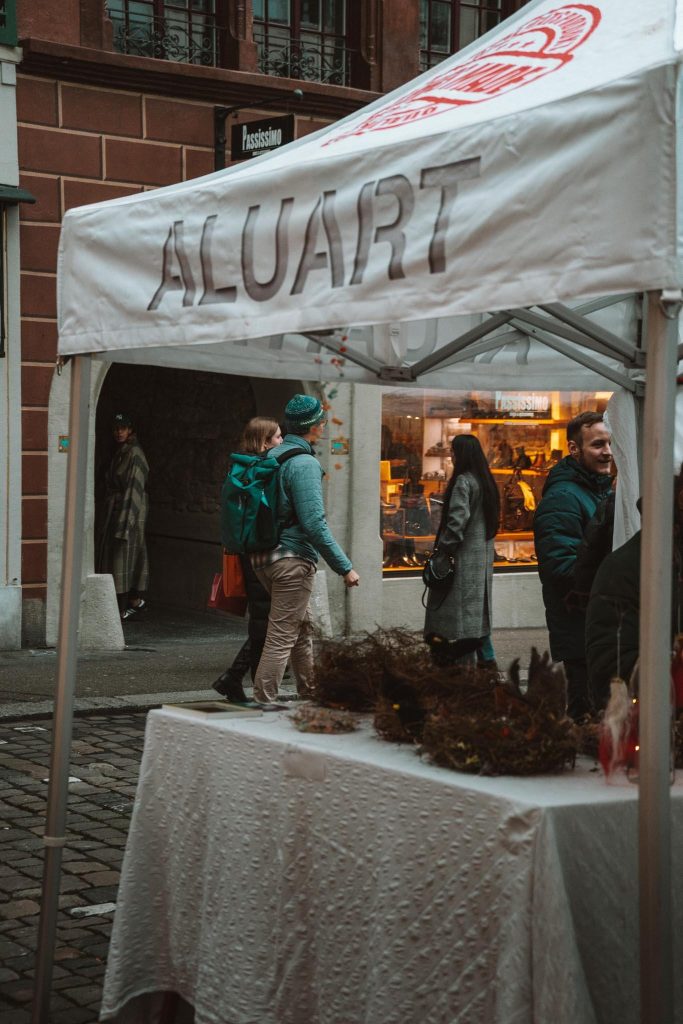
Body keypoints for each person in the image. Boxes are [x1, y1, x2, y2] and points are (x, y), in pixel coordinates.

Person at [250, 394, 359, 703]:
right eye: (322, 422)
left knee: (302, 629)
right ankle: (264, 701)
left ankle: (311, 693)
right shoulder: (305, 463)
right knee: (282, 634)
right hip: (291, 560)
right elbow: (314, 523)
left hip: (263, 557)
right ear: (314, 427)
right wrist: (345, 567)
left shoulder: (270, 455)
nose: (324, 427)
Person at [533, 411, 612, 718]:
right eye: (597, 444)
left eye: (610, 443)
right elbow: (561, 567)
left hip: (597, 625)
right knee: (586, 713)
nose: (607, 451)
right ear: (574, 449)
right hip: (580, 628)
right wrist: (611, 577)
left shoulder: (599, 488)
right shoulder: (564, 497)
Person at [212, 417, 283, 703]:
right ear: (265, 441)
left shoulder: (239, 467)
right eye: (277, 437)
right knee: (264, 619)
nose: (281, 441)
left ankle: (236, 677)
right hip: (262, 552)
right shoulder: (265, 468)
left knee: (263, 617)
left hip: (243, 550)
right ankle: (240, 678)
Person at [424, 433, 500, 666]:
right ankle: (488, 664)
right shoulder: (486, 482)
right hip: (481, 562)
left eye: (454, 452)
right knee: (476, 620)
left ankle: (455, 668)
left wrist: (443, 550)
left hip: (461, 562)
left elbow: (457, 524)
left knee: (454, 622)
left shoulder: (463, 482)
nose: (452, 456)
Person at [97, 412, 149, 622]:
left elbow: (134, 488)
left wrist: (126, 522)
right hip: (117, 508)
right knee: (117, 556)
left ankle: (126, 605)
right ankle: (131, 603)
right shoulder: (120, 452)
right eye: (117, 428)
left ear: (131, 430)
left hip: (131, 509)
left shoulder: (135, 454)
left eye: (123, 428)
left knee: (125, 556)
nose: (119, 432)